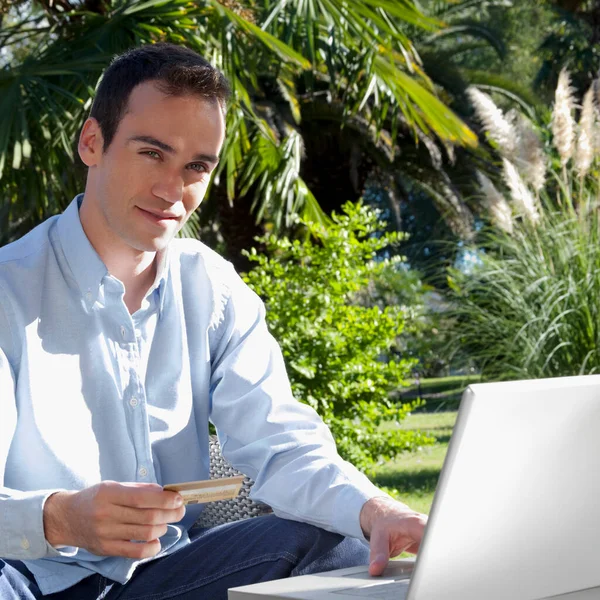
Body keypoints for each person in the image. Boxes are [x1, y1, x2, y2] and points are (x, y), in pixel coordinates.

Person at [0, 43, 427, 599]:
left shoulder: (212, 286)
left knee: (344, 550)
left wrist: (378, 510)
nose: (173, 191)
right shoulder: (8, 291)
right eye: (152, 153)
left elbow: (282, 445)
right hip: (30, 581)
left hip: (165, 575)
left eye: (196, 166)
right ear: (91, 142)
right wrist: (59, 518)